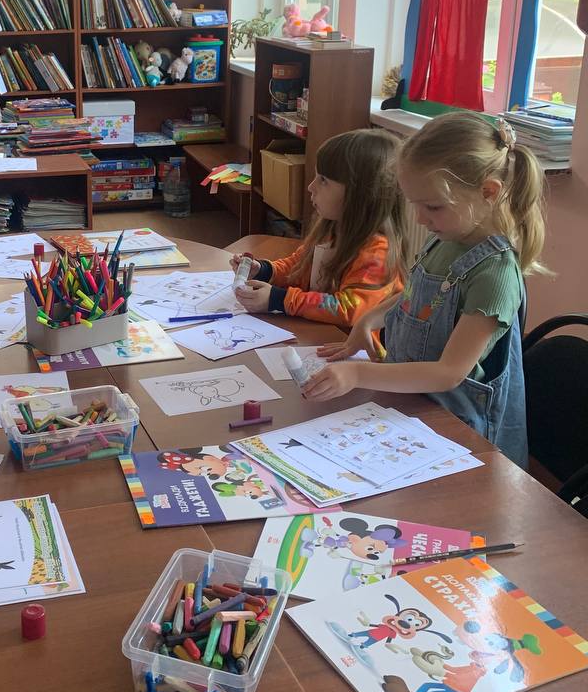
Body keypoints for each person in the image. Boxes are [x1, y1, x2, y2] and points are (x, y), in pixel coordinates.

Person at [304, 112, 545, 468]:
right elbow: (418, 294)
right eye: (414, 204)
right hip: (411, 411)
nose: (419, 218)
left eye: (432, 207)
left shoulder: (495, 275)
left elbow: (448, 372)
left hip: (461, 440)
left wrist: (357, 373)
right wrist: (369, 319)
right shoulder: (446, 237)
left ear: (488, 192)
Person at [231, 128, 407, 334]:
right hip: (317, 335)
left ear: (359, 194)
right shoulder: (331, 228)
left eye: (323, 180)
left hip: (352, 348)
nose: (311, 187)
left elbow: (349, 309)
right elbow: (298, 267)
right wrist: (264, 270)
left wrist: (279, 299)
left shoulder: (378, 251)